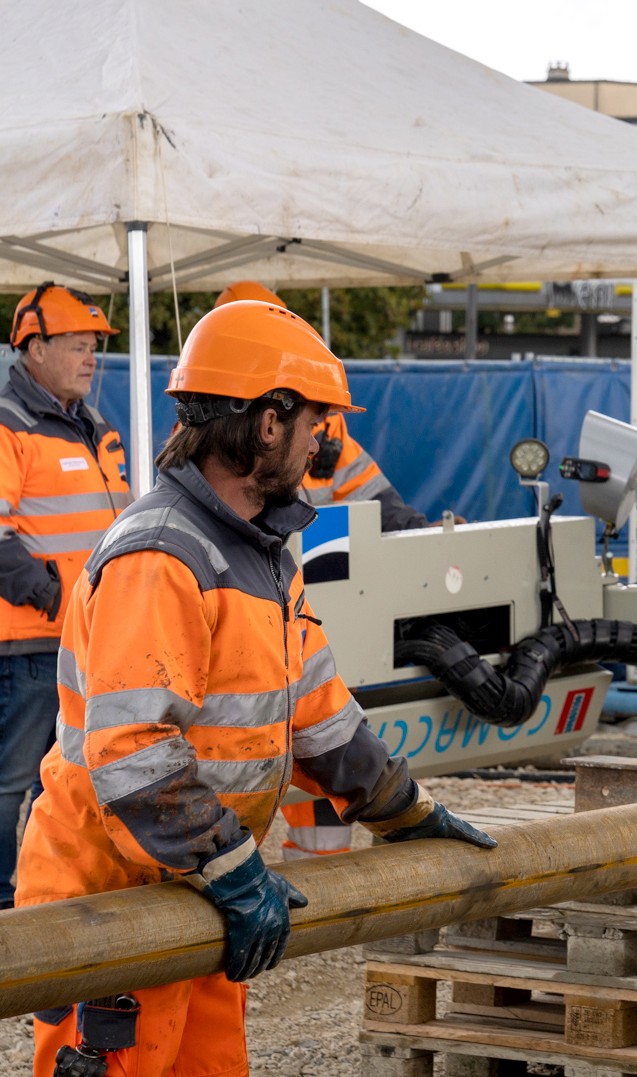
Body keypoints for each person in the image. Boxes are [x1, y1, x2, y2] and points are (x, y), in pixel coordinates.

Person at [15, 298, 494, 1077]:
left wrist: (409, 812)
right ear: (267, 421)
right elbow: (135, 754)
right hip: (115, 900)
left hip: (201, 888)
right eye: (314, 420)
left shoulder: (263, 555)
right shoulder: (162, 554)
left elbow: (320, 718)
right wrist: (235, 869)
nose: (322, 441)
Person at [213, 281, 429, 859]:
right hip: (276, 615)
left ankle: (318, 862)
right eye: (308, 428)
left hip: (309, 619)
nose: (315, 444)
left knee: (306, 726)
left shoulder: (322, 429)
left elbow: (385, 504)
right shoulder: (188, 531)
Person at [0, 283, 130, 915]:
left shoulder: (94, 426)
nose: (91, 359)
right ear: (35, 347)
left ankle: (41, 897)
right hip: (28, 640)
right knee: (8, 780)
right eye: (79, 347)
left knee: (63, 779)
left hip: (87, 639)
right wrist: (56, 599)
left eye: (95, 348)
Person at [214, 281, 429, 532]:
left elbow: (372, 495)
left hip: (313, 563)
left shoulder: (325, 423)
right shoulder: (209, 428)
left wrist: (423, 532)